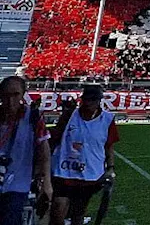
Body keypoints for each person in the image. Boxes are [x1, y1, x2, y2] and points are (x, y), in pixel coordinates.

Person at [51, 85, 119, 225]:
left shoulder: (107, 119)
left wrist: (110, 167)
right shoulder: (70, 115)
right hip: (64, 170)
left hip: (89, 174)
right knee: (58, 207)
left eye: (93, 100)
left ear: (99, 101)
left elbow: (109, 145)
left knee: (78, 211)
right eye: (86, 100)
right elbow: (55, 137)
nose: (89, 103)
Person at [0, 76, 52, 225]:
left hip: (17, 183)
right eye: (6, 95)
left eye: (15, 94)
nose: (10, 101)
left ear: (23, 94)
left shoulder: (33, 117)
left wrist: (46, 182)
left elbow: (44, 150)